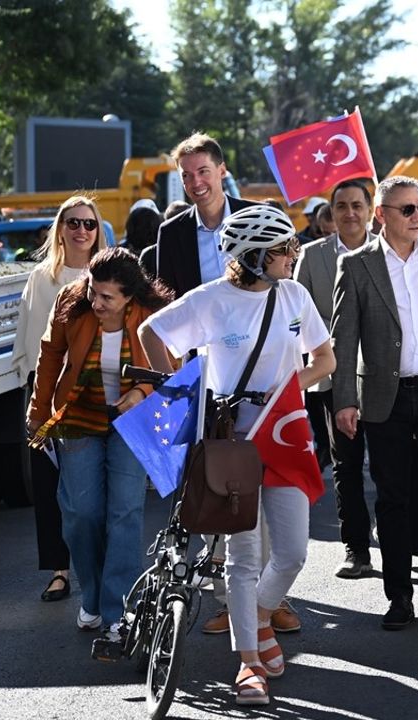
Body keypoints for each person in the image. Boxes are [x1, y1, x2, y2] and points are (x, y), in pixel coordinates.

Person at [140, 205, 334, 706]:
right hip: (231, 446)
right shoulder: (212, 300)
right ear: (251, 258)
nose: (293, 254)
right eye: (282, 249)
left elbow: (325, 359)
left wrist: (289, 393)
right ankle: (249, 663)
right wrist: (182, 392)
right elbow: (151, 334)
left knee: (292, 552)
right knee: (243, 557)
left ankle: (263, 616)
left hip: (285, 436)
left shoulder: (294, 294)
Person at [331, 176, 418, 629]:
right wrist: (344, 402)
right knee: (393, 498)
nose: (417, 217)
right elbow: (344, 338)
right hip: (383, 396)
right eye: (407, 209)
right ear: (382, 215)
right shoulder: (356, 266)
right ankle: (399, 595)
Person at [28, 247, 172, 641]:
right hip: (77, 419)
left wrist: (141, 392)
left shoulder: (152, 311)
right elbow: (50, 354)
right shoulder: (72, 303)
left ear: (130, 297)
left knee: (124, 512)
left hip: (132, 424)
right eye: (93, 291)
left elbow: (169, 366)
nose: (96, 302)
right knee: (81, 514)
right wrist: (38, 414)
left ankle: (117, 611)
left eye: (107, 297)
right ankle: (91, 597)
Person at [12, 196, 104, 605]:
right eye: (73, 223)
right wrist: (37, 398)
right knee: (50, 486)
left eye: (89, 223)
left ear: (98, 229)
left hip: (97, 395)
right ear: (60, 228)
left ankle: (97, 572)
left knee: (92, 493)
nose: (81, 230)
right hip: (49, 395)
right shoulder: (41, 279)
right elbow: (31, 342)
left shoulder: (109, 274)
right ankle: (58, 571)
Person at [293, 179, 376, 578]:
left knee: (392, 466)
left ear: (371, 209)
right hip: (331, 379)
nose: (349, 213)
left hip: (382, 378)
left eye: (357, 205)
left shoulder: (390, 251)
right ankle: (356, 548)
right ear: (331, 212)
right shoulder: (311, 257)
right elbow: (295, 322)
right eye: (341, 206)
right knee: (346, 463)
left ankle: (407, 540)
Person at [146, 133, 259, 299]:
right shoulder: (171, 233)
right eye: (186, 175)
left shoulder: (256, 217)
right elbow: (168, 300)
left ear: (221, 171)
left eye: (203, 171)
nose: (196, 182)